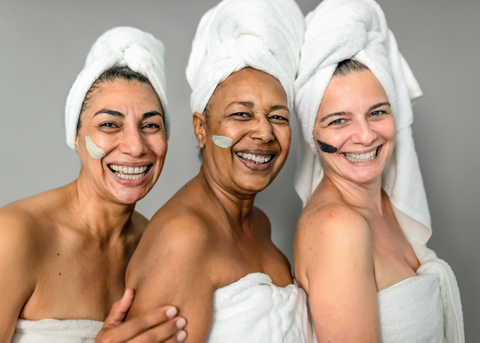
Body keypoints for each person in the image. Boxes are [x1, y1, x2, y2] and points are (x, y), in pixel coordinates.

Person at [124, 0, 314, 342]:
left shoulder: (259, 223)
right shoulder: (184, 237)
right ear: (201, 129)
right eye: (241, 114)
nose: (265, 133)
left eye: (278, 117)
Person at [0, 27, 186, 343]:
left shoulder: (155, 250)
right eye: (109, 125)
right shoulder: (15, 235)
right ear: (76, 136)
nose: (135, 146)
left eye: (150, 125)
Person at [293, 0, 464, 342]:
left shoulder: (386, 201)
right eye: (339, 120)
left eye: (377, 112)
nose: (366, 136)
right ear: (314, 134)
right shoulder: (337, 229)